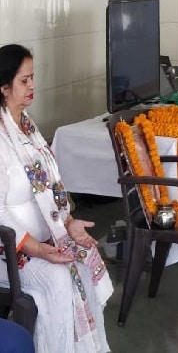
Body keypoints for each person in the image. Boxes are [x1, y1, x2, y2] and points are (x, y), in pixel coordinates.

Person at [0, 44, 113, 352]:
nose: (32, 86)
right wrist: (38, 249)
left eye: (33, 77)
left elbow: (49, 188)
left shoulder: (27, 126)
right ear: (4, 87)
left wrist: (69, 223)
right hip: (8, 252)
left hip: (43, 242)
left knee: (83, 260)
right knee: (60, 279)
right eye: (24, 80)